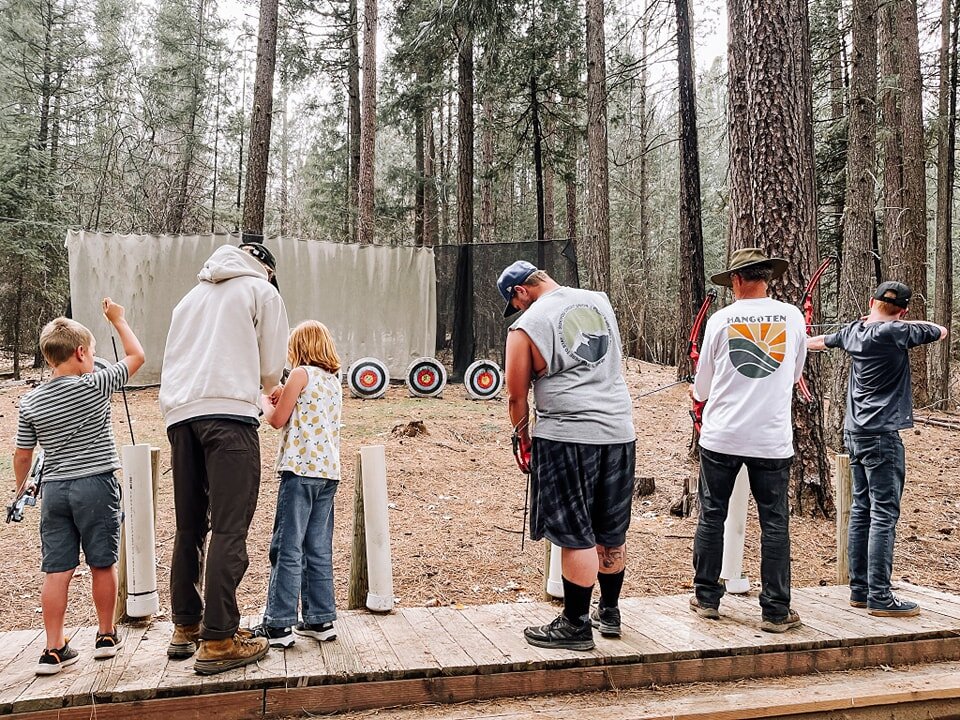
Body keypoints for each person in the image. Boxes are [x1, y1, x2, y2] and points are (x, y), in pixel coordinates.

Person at [159, 242, 289, 675]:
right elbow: (272, 366)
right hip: (230, 416)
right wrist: (263, 384)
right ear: (266, 269)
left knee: (189, 525)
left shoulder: (187, 299)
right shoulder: (261, 290)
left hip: (180, 417)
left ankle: (185, 624)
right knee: (230, 527)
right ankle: (218, 638)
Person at [499, 260, 636, 651]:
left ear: (520, 292)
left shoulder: (525, 326)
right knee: (610, 528)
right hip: (618, 432)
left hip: (567, 437)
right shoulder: (599, 302)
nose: (519, 310)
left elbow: (515, 394)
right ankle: (608, 611)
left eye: (517, 303)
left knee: (575, 531)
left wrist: (523, 439)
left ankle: (576, 624)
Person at [13, 299, 145, 675]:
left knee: (57, 571)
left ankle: (53, 648)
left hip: (54, 490)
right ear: (82, 352)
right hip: (96, 484)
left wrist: (22, 488)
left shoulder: (30, 401)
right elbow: (137, 356)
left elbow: (23, 454)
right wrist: (118, 320)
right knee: (102, 563)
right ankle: (105, 636)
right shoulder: (95, 383)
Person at [808, 281, 946, 617]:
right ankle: (880, 597)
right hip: (883, 436)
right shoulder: (896, 333)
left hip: (855, 433)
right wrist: (892, 322)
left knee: (862, 509)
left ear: (871, 302)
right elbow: (939, 331)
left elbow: (816, 342)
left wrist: (867, 321)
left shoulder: (853, 332)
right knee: (883, 514)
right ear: (904, 311)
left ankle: (860, 590)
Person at [690, 248, 807, 633]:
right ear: (767, 278)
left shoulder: (720, 320)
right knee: (774, 522)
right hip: (770, 438)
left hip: (722, 435)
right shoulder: (791, 317)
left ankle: (706, 598)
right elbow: (793, 374)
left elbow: (702, 384)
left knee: (712, 514)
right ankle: (775, 611)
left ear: (738, 280)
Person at [252, 321, 343, 648]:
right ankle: (321, 619)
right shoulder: (334, 381)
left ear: (299, 348)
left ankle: (278, 625)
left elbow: (277, 419)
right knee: (317, 547)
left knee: (287, 546)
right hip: (328, 473)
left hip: (300, 470)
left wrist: (264, 398)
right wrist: (282, 394)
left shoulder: (300, 374)